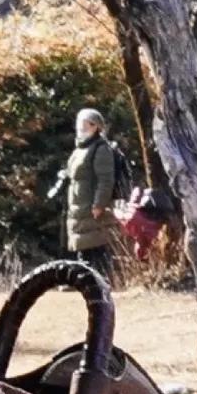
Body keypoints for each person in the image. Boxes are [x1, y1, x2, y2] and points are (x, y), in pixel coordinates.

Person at [51, 104, 124, 270]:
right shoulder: (80, 149)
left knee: (95, 250)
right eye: (80, 122)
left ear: (96, 126)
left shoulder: (100, 149)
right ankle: (86, 284)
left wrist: (99, 204)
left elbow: (106, 179)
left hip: (92, 209)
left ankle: (99, 286)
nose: (81, 126)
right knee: (83, 250)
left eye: (86, 123)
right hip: (79, 209)